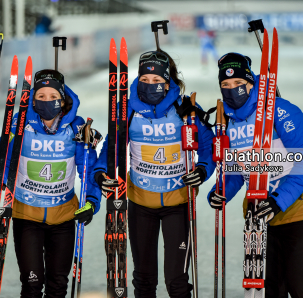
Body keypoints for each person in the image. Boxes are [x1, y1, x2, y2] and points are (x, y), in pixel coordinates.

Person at [92, 50, 215, 297]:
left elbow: (207, 146)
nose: (150, 85)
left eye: (157, 80)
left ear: (168, 81)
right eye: (145, 80)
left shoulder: (185, 107)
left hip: (178, 204)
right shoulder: (127, 108)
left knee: (177, 280)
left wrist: (202, 169)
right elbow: (112, 146)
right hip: (140, 203)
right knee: (144, 279)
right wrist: (100, 172)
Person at [207, 53, 303, 297]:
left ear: (251, 83)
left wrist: (278, 200)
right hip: (259, 218)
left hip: (299, 212)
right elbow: (236, 172)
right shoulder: (227, 121)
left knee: (300, 287)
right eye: (225, 85)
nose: (232, 90)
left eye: (239, 84)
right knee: (271, 290)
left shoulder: (281, 110)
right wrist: (220, 191)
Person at [0, 69, 102, 297]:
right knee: (32, 283)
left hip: (64, 217)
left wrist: (91, 202)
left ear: (62, 98)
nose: (47, 101)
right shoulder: (19, 124)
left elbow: (87, 168)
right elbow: (4, 158)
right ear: (33, 99)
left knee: (58, 285)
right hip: (26, 216)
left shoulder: (75, 127)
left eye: (52, 96)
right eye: (41, 96)